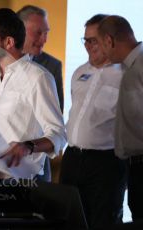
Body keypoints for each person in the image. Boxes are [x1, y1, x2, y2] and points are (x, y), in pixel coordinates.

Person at [0, 8, 66, 180]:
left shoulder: (38, 77)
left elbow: (58, 134)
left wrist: (27, 146)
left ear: (8, 42)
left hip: (20, 184)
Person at [59, 14, 127, 228]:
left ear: (108, 40)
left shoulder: (126, 74)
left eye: (93, 40)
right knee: (68, 219)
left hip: (106, 162)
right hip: (72, 158)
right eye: (85, 40)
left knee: (103, 220)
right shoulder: (79, 72)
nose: (87, 45)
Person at [98, 15, 143, 222]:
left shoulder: (140, 67)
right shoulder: (130, 67)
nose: (103, 52)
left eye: (100, 44)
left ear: (109, 40)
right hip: (133, 167)